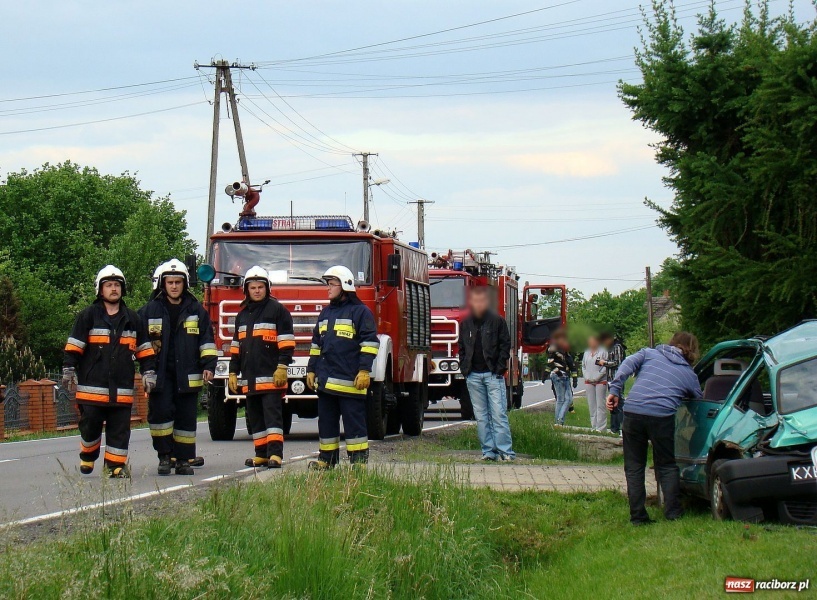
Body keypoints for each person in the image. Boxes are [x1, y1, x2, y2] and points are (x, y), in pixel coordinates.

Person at [63, 265, 156, 478]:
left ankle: (115, 467)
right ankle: (88, 454)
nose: (113, 289)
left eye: (117, 285)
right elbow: (74, 346)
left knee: (120, 429)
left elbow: (145, 351)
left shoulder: (133, 319)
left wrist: (149, 373)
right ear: (100, 289)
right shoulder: (87, 316)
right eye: (109, 285)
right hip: (91, 389)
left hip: (121, 389)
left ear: (122, 289)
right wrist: (69, 368)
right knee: (90, 426)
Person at [606, 332, 702, 525]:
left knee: (634, 467)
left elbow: (625, 365)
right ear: (692, 351)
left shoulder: (648, 353)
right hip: (662, 417)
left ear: (672, 343)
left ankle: (638, 517)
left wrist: (615, 389)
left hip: (633, 412)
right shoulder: (688, 374)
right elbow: (698, 400)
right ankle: (673, 512)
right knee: (666, 465)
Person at [139, 259, 217, 476]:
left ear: (185, 284)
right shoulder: (148, 311)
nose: (174, 286)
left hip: (188, 375)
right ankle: (164, 457)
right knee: (160, 417)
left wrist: (209, 365)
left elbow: (207, 342)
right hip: (159, 375)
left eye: (178, 282)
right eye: (170, 282)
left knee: (185, 419)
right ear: (162, 284)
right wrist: (145, 370)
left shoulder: (196, 310)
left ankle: (183, 460)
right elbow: (140, 343)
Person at [306, 266, 379, 469]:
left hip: (350, 384)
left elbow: (370, 344)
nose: (328, 288)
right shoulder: (325, 313)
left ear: (344, 285)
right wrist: (311, 370)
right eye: (327, 284)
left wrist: (364, 370)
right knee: (326, 423)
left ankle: (358, 462)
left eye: (331, 284)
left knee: (354, 424)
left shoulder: (361, 312)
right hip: (326, 383)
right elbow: (316, 345)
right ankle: (327, 460)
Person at [229, 266, 295, 469]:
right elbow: (236, 347)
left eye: (260, 287)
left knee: (273, 418)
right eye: (253, 287)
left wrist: (282, 366)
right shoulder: (242, 315)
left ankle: (275, 454)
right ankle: (261, 454)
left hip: (271, 377)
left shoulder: (277, 311)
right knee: (255, 419)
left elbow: (286, 343)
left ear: (267, 288)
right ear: (246, 290)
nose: (257, 291)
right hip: (249, 378)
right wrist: (233, 371)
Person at [458, 286, 515, 461]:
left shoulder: (497, 321)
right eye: (475, 301)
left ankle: (506, 452)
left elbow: (505, 345)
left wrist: (499, 369)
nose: (478, 304)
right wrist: (464, 368)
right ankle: (488, 451)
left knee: (498, 414)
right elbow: (461, 347)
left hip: (493, 375)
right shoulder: (465, 324)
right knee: (481, 416)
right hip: (473, 376)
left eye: (482, 301)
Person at [545, 329, 577, 427]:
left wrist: (574, 378)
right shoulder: (555, 347)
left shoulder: (563, 351)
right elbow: (550, 362)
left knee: (563, 400)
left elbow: (571, 366)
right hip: (560, 376)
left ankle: (557, 422)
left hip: (562, 376)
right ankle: (560, 420)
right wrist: (558, 373)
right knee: (566, 399)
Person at [599, 332, 626, 435]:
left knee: (619, 403)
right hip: (610, 379)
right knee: (612, 404)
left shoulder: (617, 347)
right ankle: (614, 428)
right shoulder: (610, 348)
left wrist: (604, 363)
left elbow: (617, 362)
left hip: (617, 379)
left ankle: (622, 427)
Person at [582, 335, 608, 431]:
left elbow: (605, 365)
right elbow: (583, 366)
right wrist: (587, 376)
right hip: (589, 381)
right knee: (592, 404)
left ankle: (601, 427)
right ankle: (593, 426)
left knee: (600, 405)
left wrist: (598, 376)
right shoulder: (586, 352)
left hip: (600, 381)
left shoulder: (603, 351)